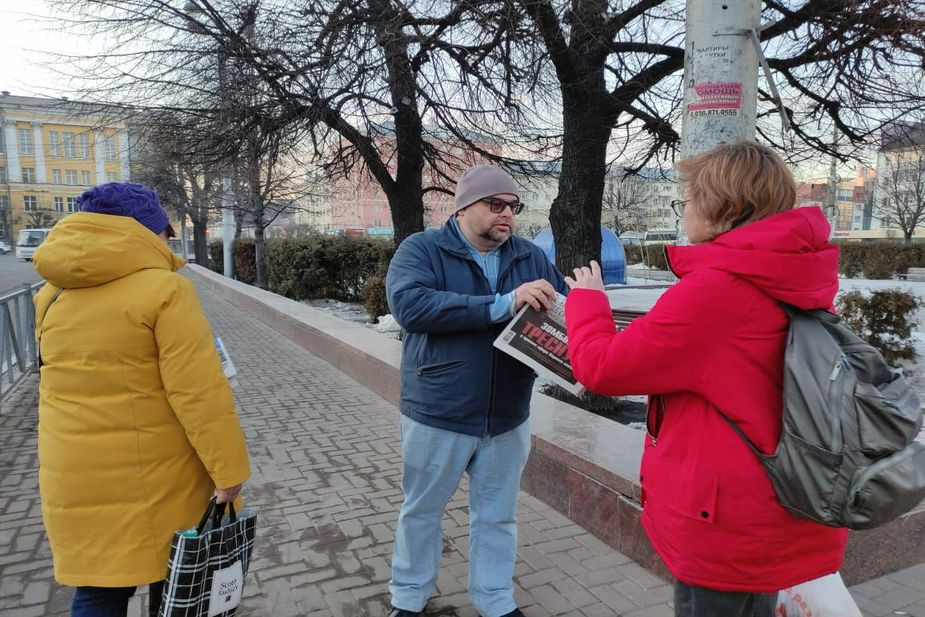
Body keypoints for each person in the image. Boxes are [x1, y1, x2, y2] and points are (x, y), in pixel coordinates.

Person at [563, 141, 849, 617]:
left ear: (723, 208)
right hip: (772, 505)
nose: (684, 211)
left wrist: (587, 301)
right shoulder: (791, 275)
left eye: (688, 199)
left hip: (726, 524)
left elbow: (601, 367)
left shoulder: (718, 291)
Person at [32, 182, 251, 617]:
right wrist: (229, 472)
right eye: (164, 231)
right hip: (157, 477)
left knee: (98, 590)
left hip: (73, 474)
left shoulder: (50, 294)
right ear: (144, 232)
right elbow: (198, 394)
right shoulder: (166, 291)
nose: (168, 240)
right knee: (174, 581)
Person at [385, 165, 568, 617]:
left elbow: (560, 307)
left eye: (514, 207)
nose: (507, 214)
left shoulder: (529, 256)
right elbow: (412, 306)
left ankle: (495, 600)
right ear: (464, 207)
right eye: (496, 205)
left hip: (507, 413)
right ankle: (408, 599)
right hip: (438, 410)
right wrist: (504, 303)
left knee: (497, 515)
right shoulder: (423, 249)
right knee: (422, 511)